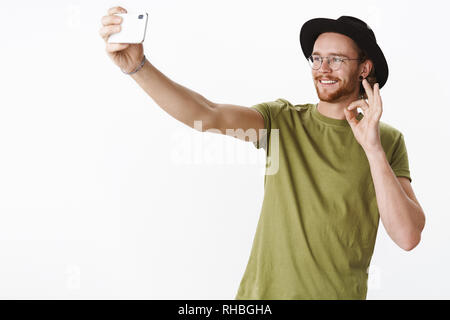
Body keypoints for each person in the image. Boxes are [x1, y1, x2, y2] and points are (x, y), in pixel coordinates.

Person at [99, 7, 425, 299]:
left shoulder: (387, 141)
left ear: (364, 68)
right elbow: (207, 114)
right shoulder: (281, 121)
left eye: (337, 59)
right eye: (316, 57)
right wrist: (138, 67)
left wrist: (372, 149)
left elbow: (408, 235)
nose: (323, 68)